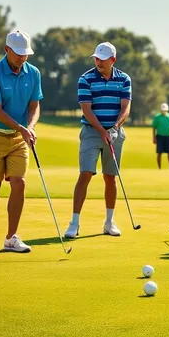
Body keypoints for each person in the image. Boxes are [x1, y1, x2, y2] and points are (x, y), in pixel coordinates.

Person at [0, 29, 43, 254]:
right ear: (6, 49)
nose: (22, 58)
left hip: (18, 138)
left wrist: (31, 127)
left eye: (25, 53)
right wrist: (22, 128)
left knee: (19, 183)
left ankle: (11, 237)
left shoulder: (33, 73)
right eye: (18, 53)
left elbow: (34, 106)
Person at [64, 42, 131, 239]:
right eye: (96, 58)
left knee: (110, 177)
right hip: (92, 132)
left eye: (102, 59)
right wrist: (102, 130)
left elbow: (125, 108)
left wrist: (114, 128)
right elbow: (86, 109)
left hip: (114, 132)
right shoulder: (86, 79)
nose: (98, 62)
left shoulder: (124, 79)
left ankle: (109, 223)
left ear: (113, 60)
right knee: (85, 173)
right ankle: (74, 223)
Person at [152, 103, 169, 170]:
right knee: (159, 153)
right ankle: (159, 168)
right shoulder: (157, 117)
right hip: (159, 136)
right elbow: (154, 127)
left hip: (167, 136)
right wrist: (154, 137)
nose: (164, 111)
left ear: (167, 110)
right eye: (163, 110)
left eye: (165, 110)